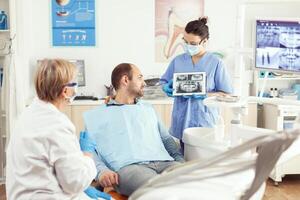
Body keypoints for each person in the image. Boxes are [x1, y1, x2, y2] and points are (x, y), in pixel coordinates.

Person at [6, 59, 110, 200]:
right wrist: (87, 154)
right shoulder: (57, 125)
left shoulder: (27, 114)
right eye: (75, 83)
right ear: (65, 90)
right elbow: (74, 183)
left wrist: (84, 190)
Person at [83, 63, 184, 196]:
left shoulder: (148, 108)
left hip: (165, 162)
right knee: (158, 191)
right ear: (125, 80)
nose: (145, 83)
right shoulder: (97, 115)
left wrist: (180, 161)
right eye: (140, 78)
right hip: (131, 168)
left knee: (193, 183)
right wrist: (102, 171)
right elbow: (89, 151)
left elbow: (165, 138)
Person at [161, 17, 233, 149]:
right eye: (185, 41)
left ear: (204, 41)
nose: (188, 46)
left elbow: (227, 94)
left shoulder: (216, 63)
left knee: (203, 162)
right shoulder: (178, 61)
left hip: (205, 122)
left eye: (193, 43)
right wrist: (166, 87)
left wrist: (205, 94)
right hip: (182, 120)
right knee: (185, 161)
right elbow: (163, 82)